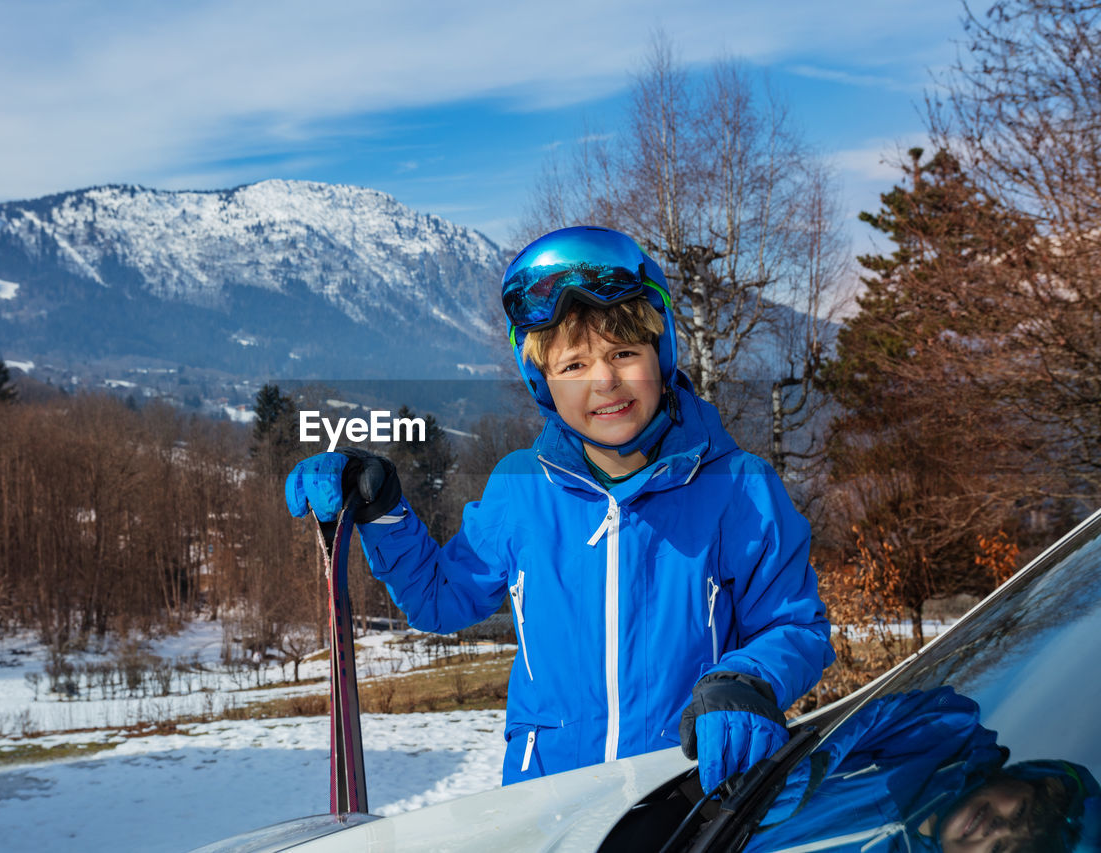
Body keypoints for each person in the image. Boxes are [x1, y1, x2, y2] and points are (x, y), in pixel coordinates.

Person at [285, 226, 835, 792]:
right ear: (542, 381)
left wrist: (746, 680)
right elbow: (439, 599)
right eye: (573, 365)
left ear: (661, 353)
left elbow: (795, 625)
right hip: (548, 806)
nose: (604, 382)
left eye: (624, 353)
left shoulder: (739, 488)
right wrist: (383, 512)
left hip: (690, 799)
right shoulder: (521, 489)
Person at [745, 687, 1101, 852]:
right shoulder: (939, 734)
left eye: (999, 851)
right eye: (1021, 811)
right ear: (1022, 778)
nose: (997, 828)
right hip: (708, 809)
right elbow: (858, 724)